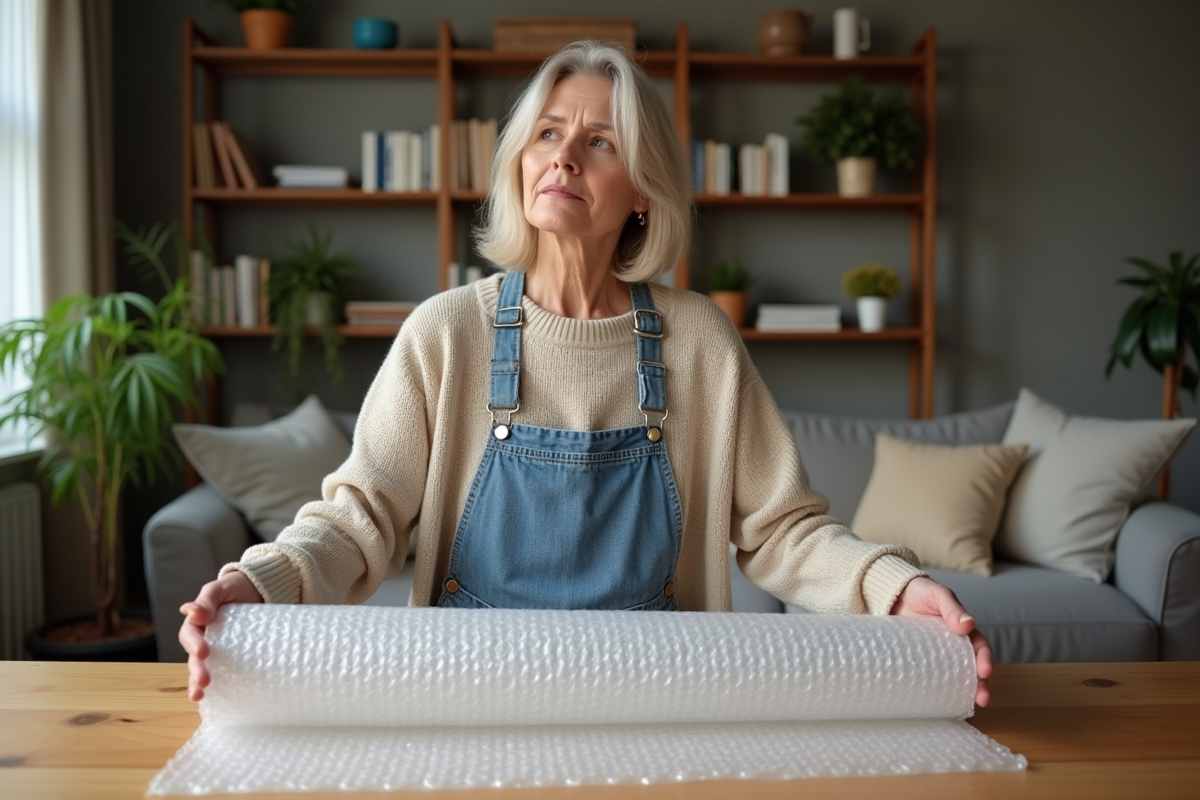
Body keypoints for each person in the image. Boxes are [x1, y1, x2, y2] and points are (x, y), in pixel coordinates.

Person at [180, 41, 991, 706]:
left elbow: (782, 531)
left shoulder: (699, 339)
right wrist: (259, 582)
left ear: (641, 190)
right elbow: (359, 521)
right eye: (547, 133)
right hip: (471, 696)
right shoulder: (445, 332)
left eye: (598, 141)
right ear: (522, 162)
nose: (564, 156)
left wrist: (894, 587)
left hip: (660, 698)